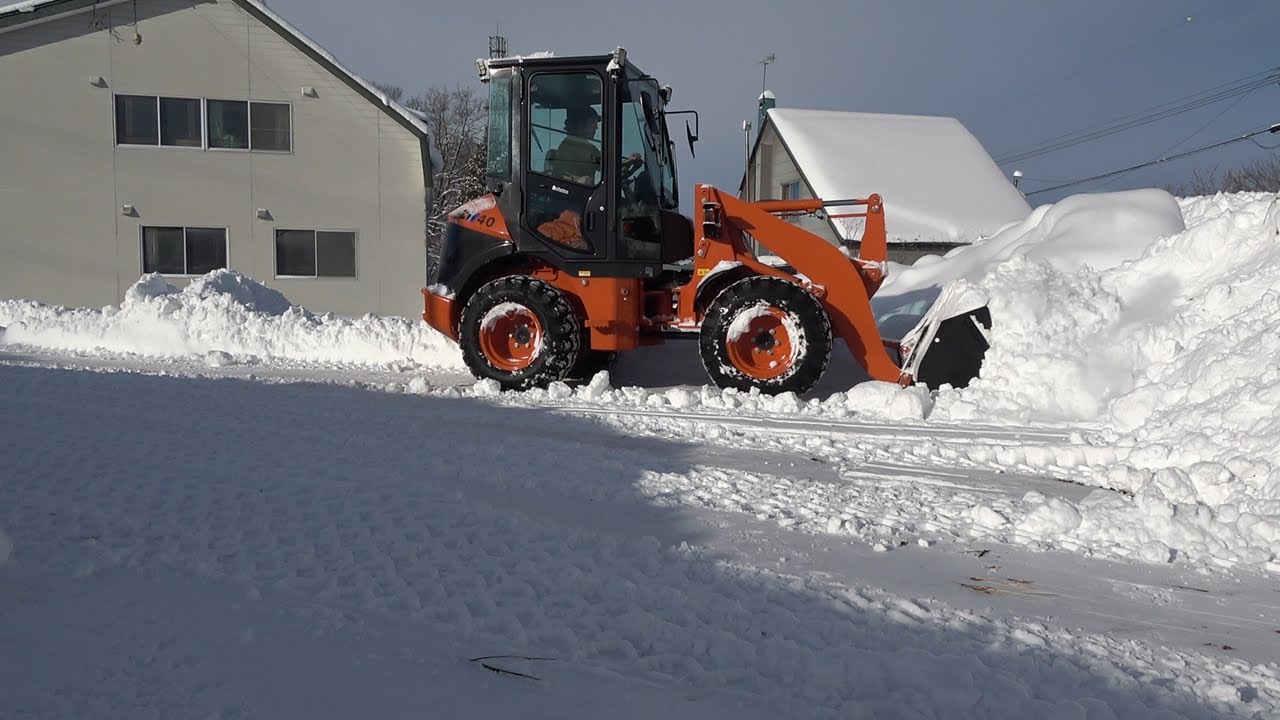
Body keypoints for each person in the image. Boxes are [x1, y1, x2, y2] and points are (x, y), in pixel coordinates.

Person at [551, 106, 603, 184]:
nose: (596, 128)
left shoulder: (565, 144)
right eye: (592, 123)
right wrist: (628, 160)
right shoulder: (588, 150)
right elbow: (611, 168)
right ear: (580, 124)